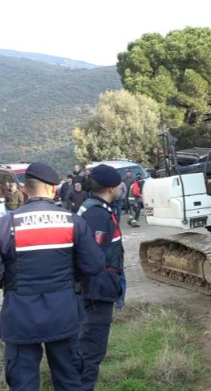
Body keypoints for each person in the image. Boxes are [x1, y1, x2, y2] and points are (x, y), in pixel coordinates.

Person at [0, 162, 105, 391]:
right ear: (53, 189)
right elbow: (94, 265)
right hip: (63, 314)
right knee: (70, 381)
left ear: (25, 189)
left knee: (23, 385)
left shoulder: (5, 225)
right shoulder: (73, 222)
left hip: (20, 318)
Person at [77, 165, 125, 391]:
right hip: (96, 291)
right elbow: (93, 257)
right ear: (112, 188)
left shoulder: (93, 208)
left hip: (97, 288)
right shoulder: (97, 213)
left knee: (88, 349)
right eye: (119, 186)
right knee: (91, 351)